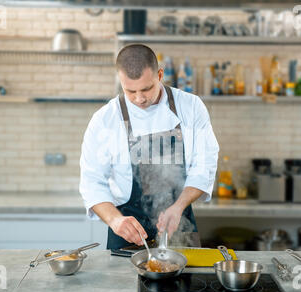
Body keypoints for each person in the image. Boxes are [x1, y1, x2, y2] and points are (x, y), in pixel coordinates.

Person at [79, 44, 219, 250]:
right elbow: (92, 182)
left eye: (146, 88)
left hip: (179, 222)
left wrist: (178, 206)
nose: (139, 98)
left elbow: (204, 167)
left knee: (186, 281)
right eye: (130, 91)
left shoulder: (190, 107)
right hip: (127, 231)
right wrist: (116, 221)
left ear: (160, 75)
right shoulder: (105, 119)